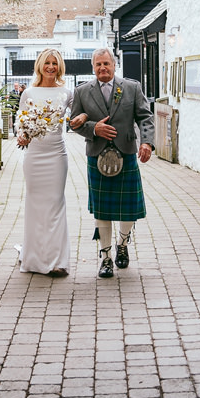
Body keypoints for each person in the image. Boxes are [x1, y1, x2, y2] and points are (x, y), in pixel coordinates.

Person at [67, 48, 153, 278]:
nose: (102, 68)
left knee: (128, 210)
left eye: (106, 63)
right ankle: (105, 258)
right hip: (97, 156)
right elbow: (73, 124)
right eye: (98, 65)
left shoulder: (131, 88)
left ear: (114, 65)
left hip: (126, 153)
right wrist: (94, 128)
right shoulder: (82, 91)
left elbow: (145, 116)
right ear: (93, 67)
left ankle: (122, 246)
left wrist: (148, 143)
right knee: (102, 211)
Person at [14, 49, 73, 277]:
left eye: (55, 63)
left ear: (59, 67)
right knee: (35, 207)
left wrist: (83, 118)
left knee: (56, 206)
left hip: (57, 155)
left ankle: (57, 261)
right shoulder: (28, 93)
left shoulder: (67, 93)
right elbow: (20, 123)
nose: (50, 67)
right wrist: (22, 135)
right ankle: (34, 259)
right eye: (47, 63)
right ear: (40, 65)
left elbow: (79, 115)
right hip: (35, 157)